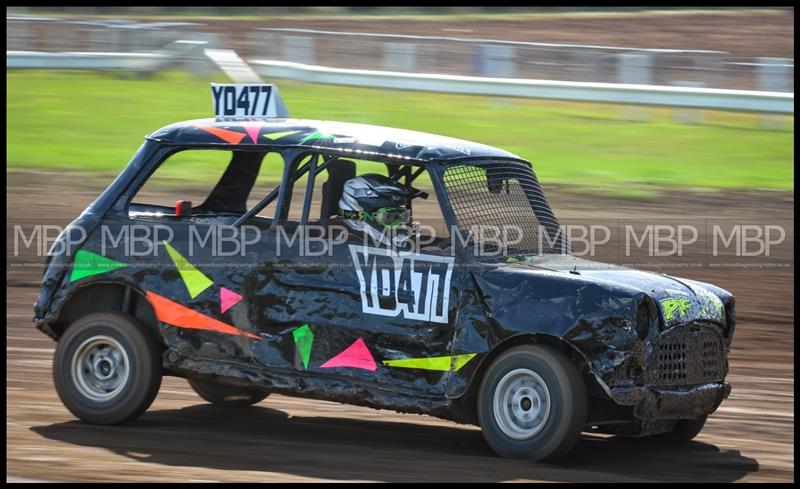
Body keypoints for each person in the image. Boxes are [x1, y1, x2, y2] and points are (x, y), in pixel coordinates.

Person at [337, 173, 424, 249]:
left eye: (402, 217)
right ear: (360, 215)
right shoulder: (344, 240)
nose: (400, 225)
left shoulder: (368, 238)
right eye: (389, 217)